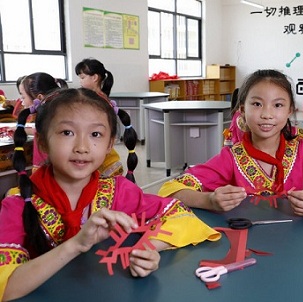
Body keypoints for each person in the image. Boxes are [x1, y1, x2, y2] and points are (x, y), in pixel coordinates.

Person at [0, 88, 220, 300]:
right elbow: (6, 287)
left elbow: (177, 212)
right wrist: (76, 244)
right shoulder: (18, 204)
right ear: (43, 142)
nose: (82, 147)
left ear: (109, 144)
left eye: (95, 134)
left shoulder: (119, 191)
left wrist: (146, 250)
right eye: (67, 132)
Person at [158, 69, 303, 216]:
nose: (267, 114)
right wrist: (209, 200)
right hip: (244, 246)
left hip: (296, 245)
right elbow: (171, 189)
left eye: (278, 105)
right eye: (257, 104)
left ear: (290, 111)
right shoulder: (230, 159)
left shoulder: (302, 153)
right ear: (242, 109)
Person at [75, 58, 122, 177]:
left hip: (99, 147)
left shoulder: (97, 100)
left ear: (94, 78)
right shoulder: (96, 97)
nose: (80, 81)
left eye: (82, 78)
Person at [19, 72, 68, 168]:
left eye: (23, 96)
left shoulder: (51, 117)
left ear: (40, 98)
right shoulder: (55, 113)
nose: (21, 100)